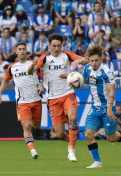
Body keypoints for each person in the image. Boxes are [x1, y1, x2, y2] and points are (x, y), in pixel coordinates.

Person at [28, 33, 89, 162]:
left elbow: (86, 61)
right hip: (53, 99)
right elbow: (31, 71)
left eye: (59, 46)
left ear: (62, 45)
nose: (56, 48)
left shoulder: (66, 55)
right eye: (54, 46)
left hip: (68, 94)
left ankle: (71, 150)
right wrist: (33, 65)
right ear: (49, 46)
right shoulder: (44, 58)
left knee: (72, 118)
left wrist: (79, 61)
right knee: (60, 134)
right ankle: (72, 142)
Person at [81, 45, 121, 168]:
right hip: (95, 108)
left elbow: (111, 92)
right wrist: (70, 79)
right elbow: (81, 81)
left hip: (107, 108)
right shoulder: (88, 68)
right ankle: (97, 162)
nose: (93, 63)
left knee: (111, 138)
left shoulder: (106, 72)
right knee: (88, 133)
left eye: (96, 60)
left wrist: (110, 109)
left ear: (101, 59)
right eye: (91, 60)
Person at [0, 42, 44, 159]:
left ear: (26, 51)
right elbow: (6, 81)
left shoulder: (34, 64)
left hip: (36, 99)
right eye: (20, 49)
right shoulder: (12, 67)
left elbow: (45, 78)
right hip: (22, 102)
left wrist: (43, 86)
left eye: (24, 49)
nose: (22, 51)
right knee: (26, 125)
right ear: (16, 52)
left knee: (36, 126)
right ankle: (33, 150)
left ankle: (32, 132)